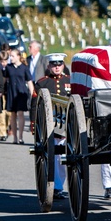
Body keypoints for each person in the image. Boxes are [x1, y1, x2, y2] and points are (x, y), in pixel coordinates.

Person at [33, 53, 71, 198]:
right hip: (49, 126)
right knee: (53, 158)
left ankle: (59, 185)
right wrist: (33, 123)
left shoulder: (69, 81)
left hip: (67, 126)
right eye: (54, 65)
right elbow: (34, 105)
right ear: (49, 66)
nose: (57, 67)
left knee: (62, 158)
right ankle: (56, 187)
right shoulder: (43, 83)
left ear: (63, 65)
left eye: (59, 64)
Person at [5, 48, 32, 145]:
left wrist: (33, 94)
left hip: (21, 93)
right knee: (13, 114)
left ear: (18, 57)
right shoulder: (8, 67)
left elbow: (29, 81)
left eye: (12, 56)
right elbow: (5, 80)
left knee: (20, 113)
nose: (10, 58)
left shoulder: (24, 68)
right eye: (10, 56)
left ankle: (21, 137)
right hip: (11, 92)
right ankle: (15, 137)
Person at [0, 49, 11, 141]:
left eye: (5, 61)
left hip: (9, 92)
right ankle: (2, 133)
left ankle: (6, 127)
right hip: (1, 93)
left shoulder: (10, 68)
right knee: (1, 113)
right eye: (1, 61)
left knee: (8, 113)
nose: (3, 63)